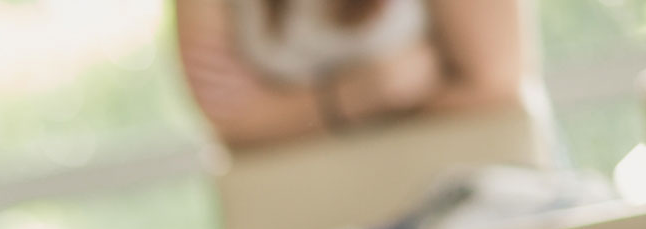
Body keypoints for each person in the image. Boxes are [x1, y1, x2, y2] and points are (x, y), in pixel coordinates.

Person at [176, 0, 527, 148]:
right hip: (308, 217)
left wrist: (287, 118)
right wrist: (366, 93)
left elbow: (495, 83)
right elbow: (233, 122)